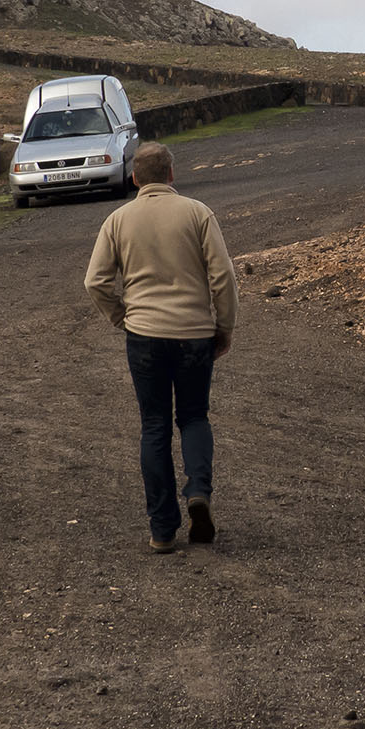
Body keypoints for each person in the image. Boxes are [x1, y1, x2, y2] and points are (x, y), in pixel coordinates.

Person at [84, 141, 237, 553]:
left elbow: (95, 282)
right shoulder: (197, 213)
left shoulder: (117, 221)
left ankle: (163, 530)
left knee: (154, 425)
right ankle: (199, 492)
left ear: (134, 178)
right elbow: (223, 275)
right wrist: (224, 327)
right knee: (193, 417)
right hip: (193, 334)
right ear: (172, 174)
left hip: (145, 335)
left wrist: (122, 317)